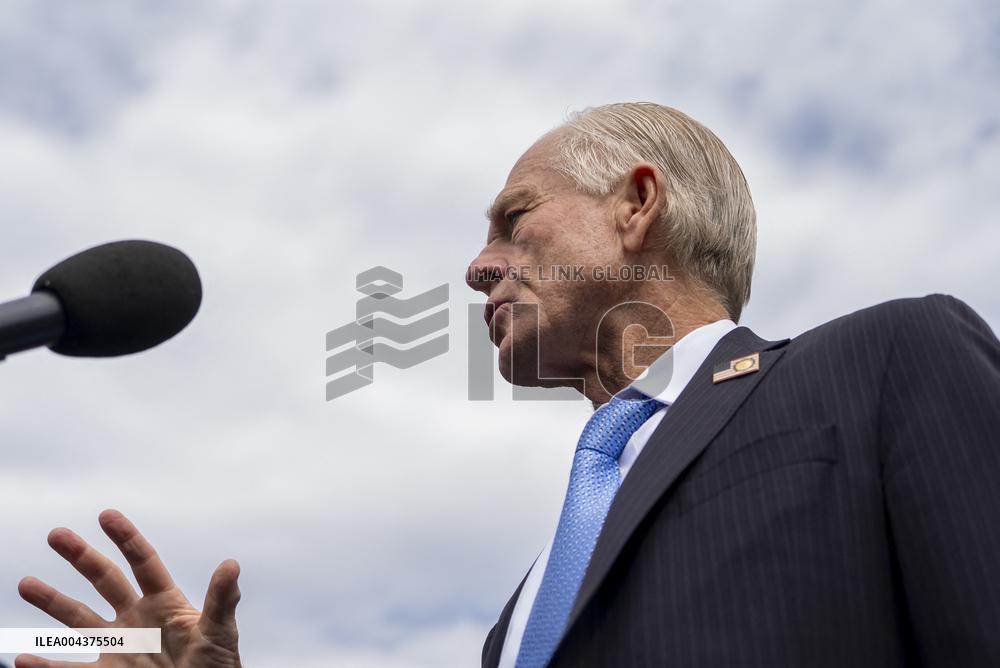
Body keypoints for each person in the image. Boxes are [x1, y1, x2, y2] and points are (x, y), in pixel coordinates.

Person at [465, 103, 1000, 667]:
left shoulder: (888, 363)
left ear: (637, 205)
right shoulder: (516, 618)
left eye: (514, 220)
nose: (477, 269)